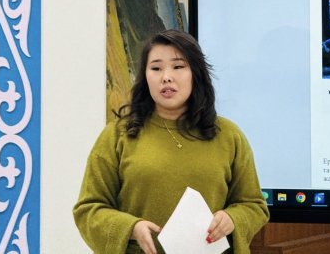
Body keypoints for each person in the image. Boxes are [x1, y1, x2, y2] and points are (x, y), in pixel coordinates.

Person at [73, 30, 269, 254]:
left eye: (178, 66)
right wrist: (131, 228)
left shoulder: (229, 135)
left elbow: (254, 206)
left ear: (195, 73)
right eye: (156, 68)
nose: (166, 77)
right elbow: (88, 210)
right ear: (145, 76)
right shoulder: (117, 135)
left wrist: (232, 218)